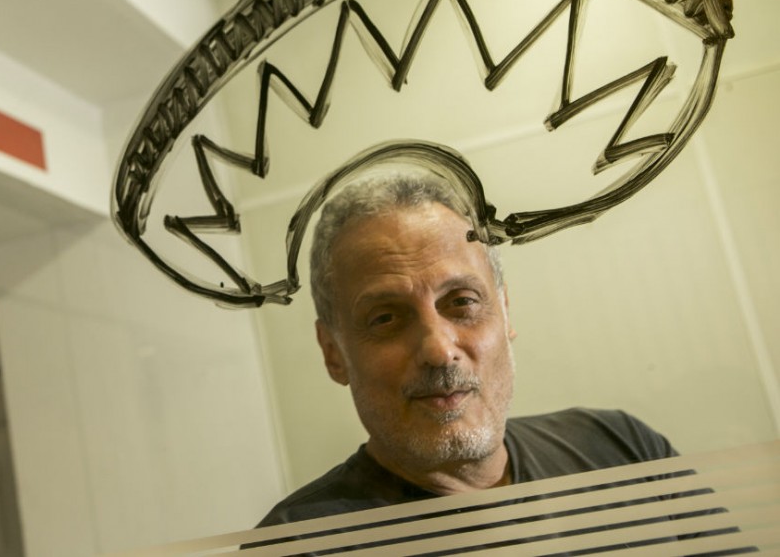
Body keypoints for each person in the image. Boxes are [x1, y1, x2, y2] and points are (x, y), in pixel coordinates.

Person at [257, 171, 679, 530]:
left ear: (505, 311)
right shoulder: (296, 545)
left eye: (462, 302)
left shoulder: (623, 449)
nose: (439, 351)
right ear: (333, 352)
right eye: (385, 318)